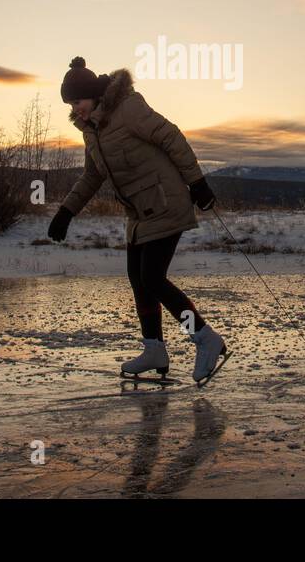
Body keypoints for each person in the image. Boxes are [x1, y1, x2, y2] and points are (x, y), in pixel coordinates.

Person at [48, 57, 228, 384]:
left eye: (78, 101)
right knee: (138, 279)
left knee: (153, 279)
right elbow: (92, 175)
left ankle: (205, 337)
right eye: (71, 104)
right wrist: (66, 212)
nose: (76, 109)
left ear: (93, 94)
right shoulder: (93, 130)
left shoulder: (128, 108)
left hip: (165, 202)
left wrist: (197, 182)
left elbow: (170, 136)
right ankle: (154, 349)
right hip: (139, 214)